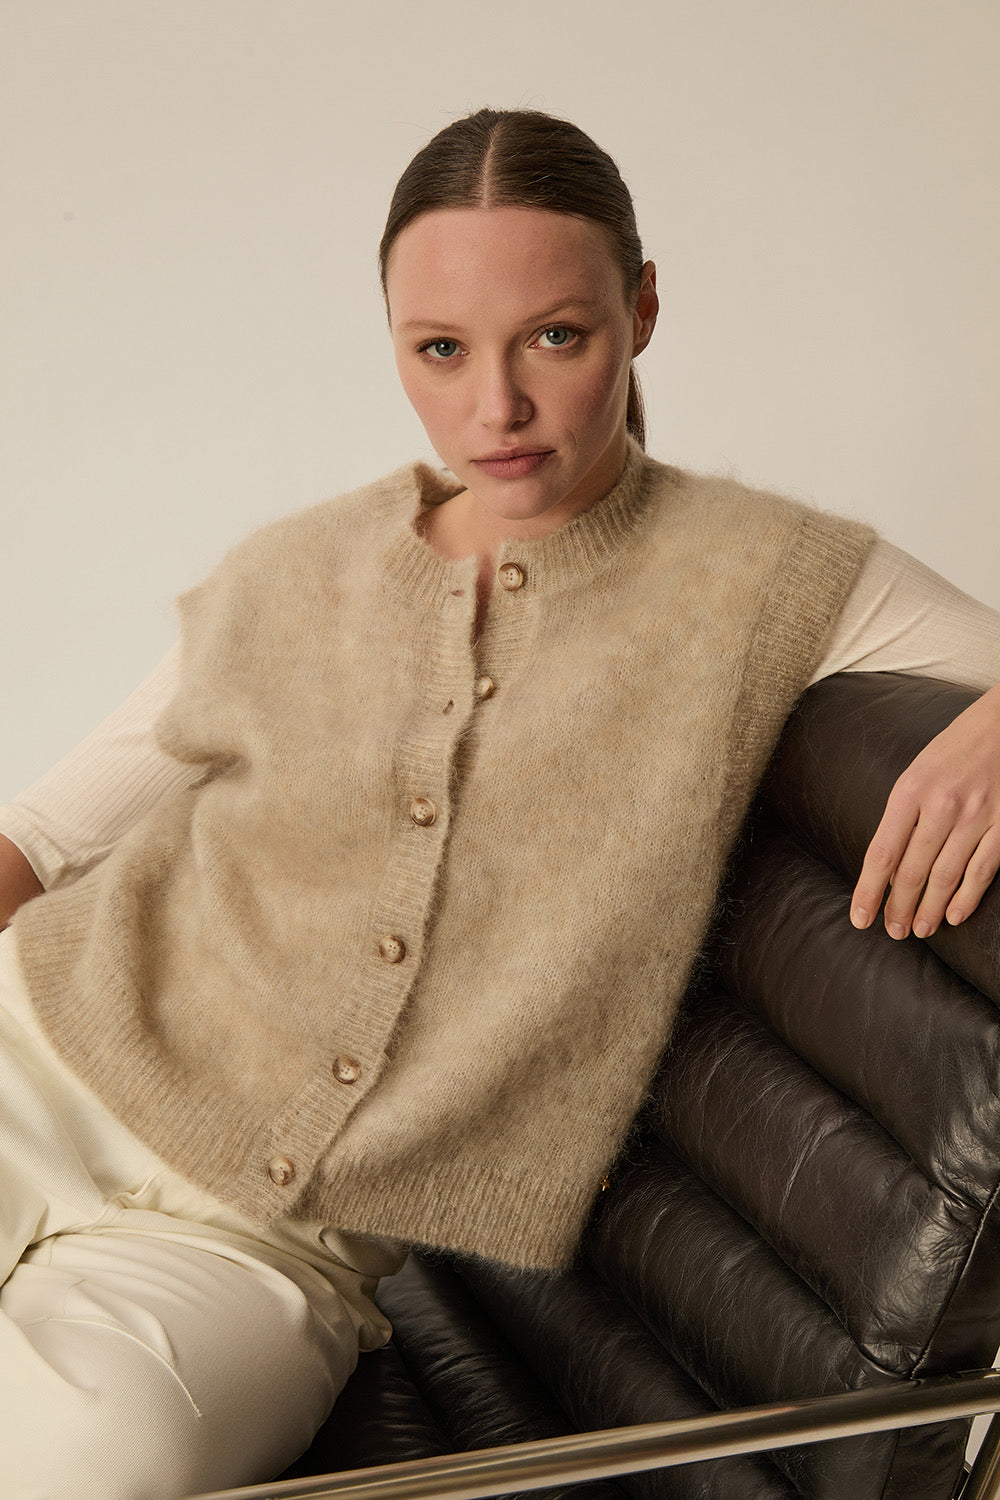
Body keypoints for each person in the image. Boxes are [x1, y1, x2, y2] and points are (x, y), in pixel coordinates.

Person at [1, 107, 999, 1500]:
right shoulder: (305, 570)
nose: (497, 410)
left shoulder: (773, 582)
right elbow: (40, 842)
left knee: (89, 1466)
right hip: (37, 1064)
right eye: (441, 351)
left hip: (262, 1246)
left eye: (555, 337)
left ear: (643, 310)